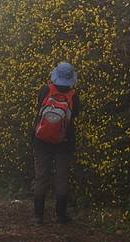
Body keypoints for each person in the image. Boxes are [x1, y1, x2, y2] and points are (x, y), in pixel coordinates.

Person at [32, 62, 81, 224]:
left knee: (41, 176)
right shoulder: (73, 95)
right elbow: (75, 116)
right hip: (64, 141)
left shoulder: (45, 90)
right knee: (61, 177)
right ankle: (61, 216)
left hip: (41, 140)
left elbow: (39, 110)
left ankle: (38, 217)